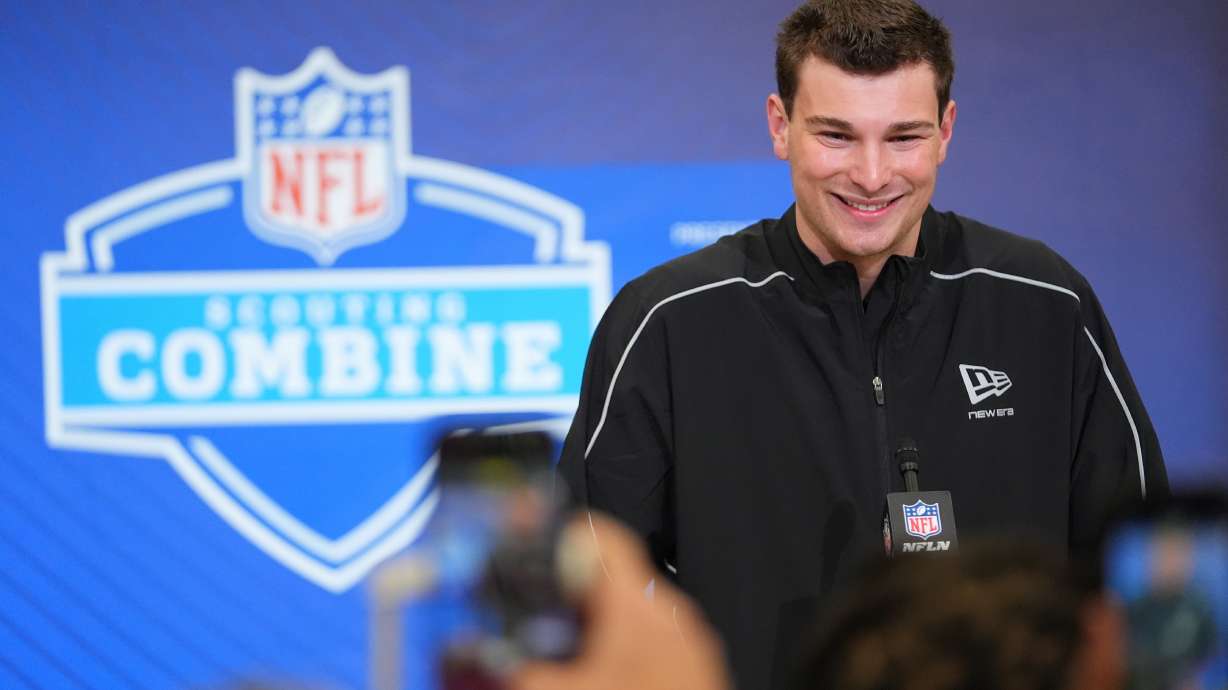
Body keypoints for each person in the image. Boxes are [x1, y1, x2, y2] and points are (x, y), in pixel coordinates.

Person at [556, 1, 1168, 688]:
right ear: (780, 126)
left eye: (903, 137)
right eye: (837, 136)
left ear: (946, 130)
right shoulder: (668, 320)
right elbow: (579, 586)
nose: (872, 176)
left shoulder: (1046, 303)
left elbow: (1142, 578)